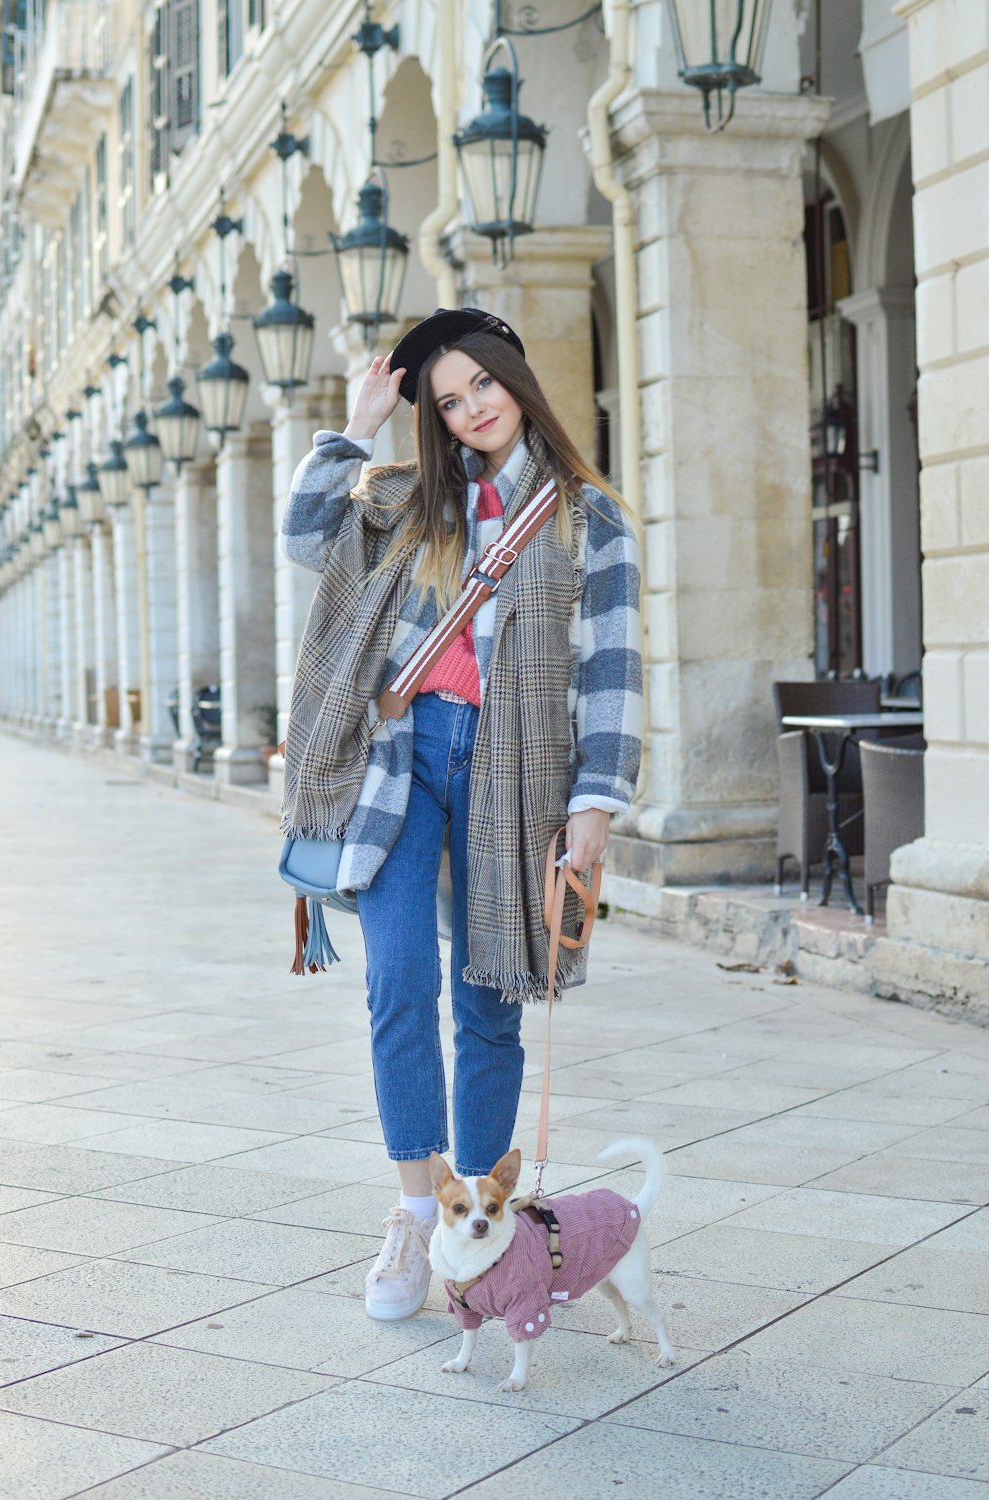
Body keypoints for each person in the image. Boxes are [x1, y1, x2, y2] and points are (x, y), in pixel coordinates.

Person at [279, 307, 642, 1321]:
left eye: (480, 384)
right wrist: (354, 422)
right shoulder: (407, 500)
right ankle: (414, 1215)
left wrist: (597, 802)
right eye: (446, 400)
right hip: (405, 759)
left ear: (514, 381)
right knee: (397, 983)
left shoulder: (585, 516)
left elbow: (612, 668)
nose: (470, 408)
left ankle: (482, 1228)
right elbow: (307, 534)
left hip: (517, 776)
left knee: (488, 1000)